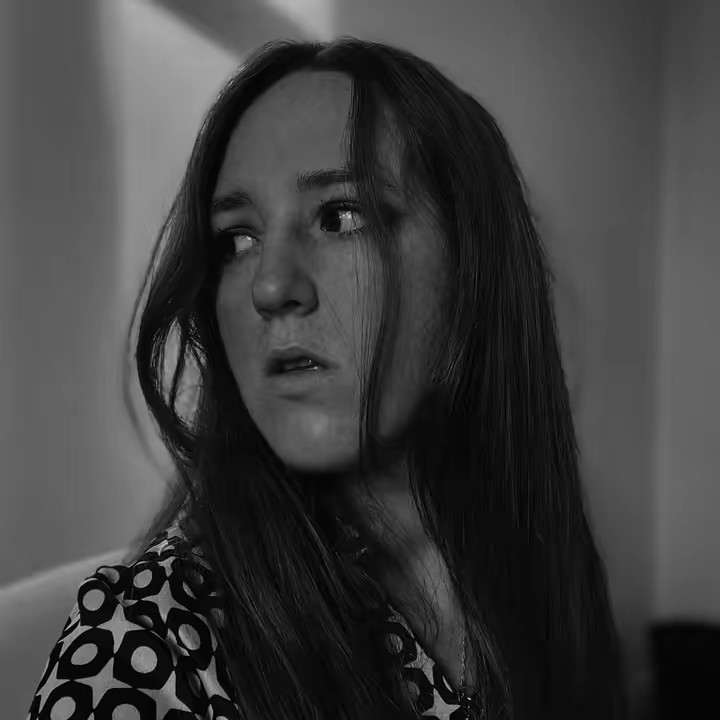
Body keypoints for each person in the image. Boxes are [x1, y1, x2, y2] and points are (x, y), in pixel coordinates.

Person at [26, 37, 628, 720]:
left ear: (474, 264)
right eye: (237, 240)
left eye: (340, 217)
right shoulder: (145, 645)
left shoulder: (545, 571)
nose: (270, 285)